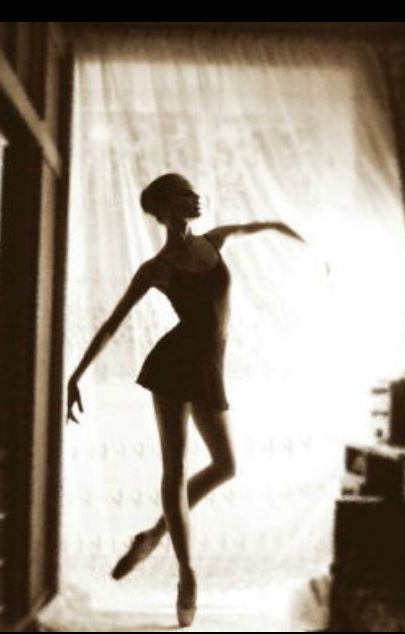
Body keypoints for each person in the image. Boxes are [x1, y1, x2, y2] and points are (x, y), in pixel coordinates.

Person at [66, 172, 304, 627]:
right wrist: (76, 375)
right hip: (173, 367)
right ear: (164, 208)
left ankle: (155, 535)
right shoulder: (157, 267)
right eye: (184, 193)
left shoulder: (215, 241)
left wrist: (310, 248)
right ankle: (187, 574)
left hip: (209, 367)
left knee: (226, 466)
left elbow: (268, 225)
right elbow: (113, 323)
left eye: (194, 191)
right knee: (174, 470)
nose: (195, 197)